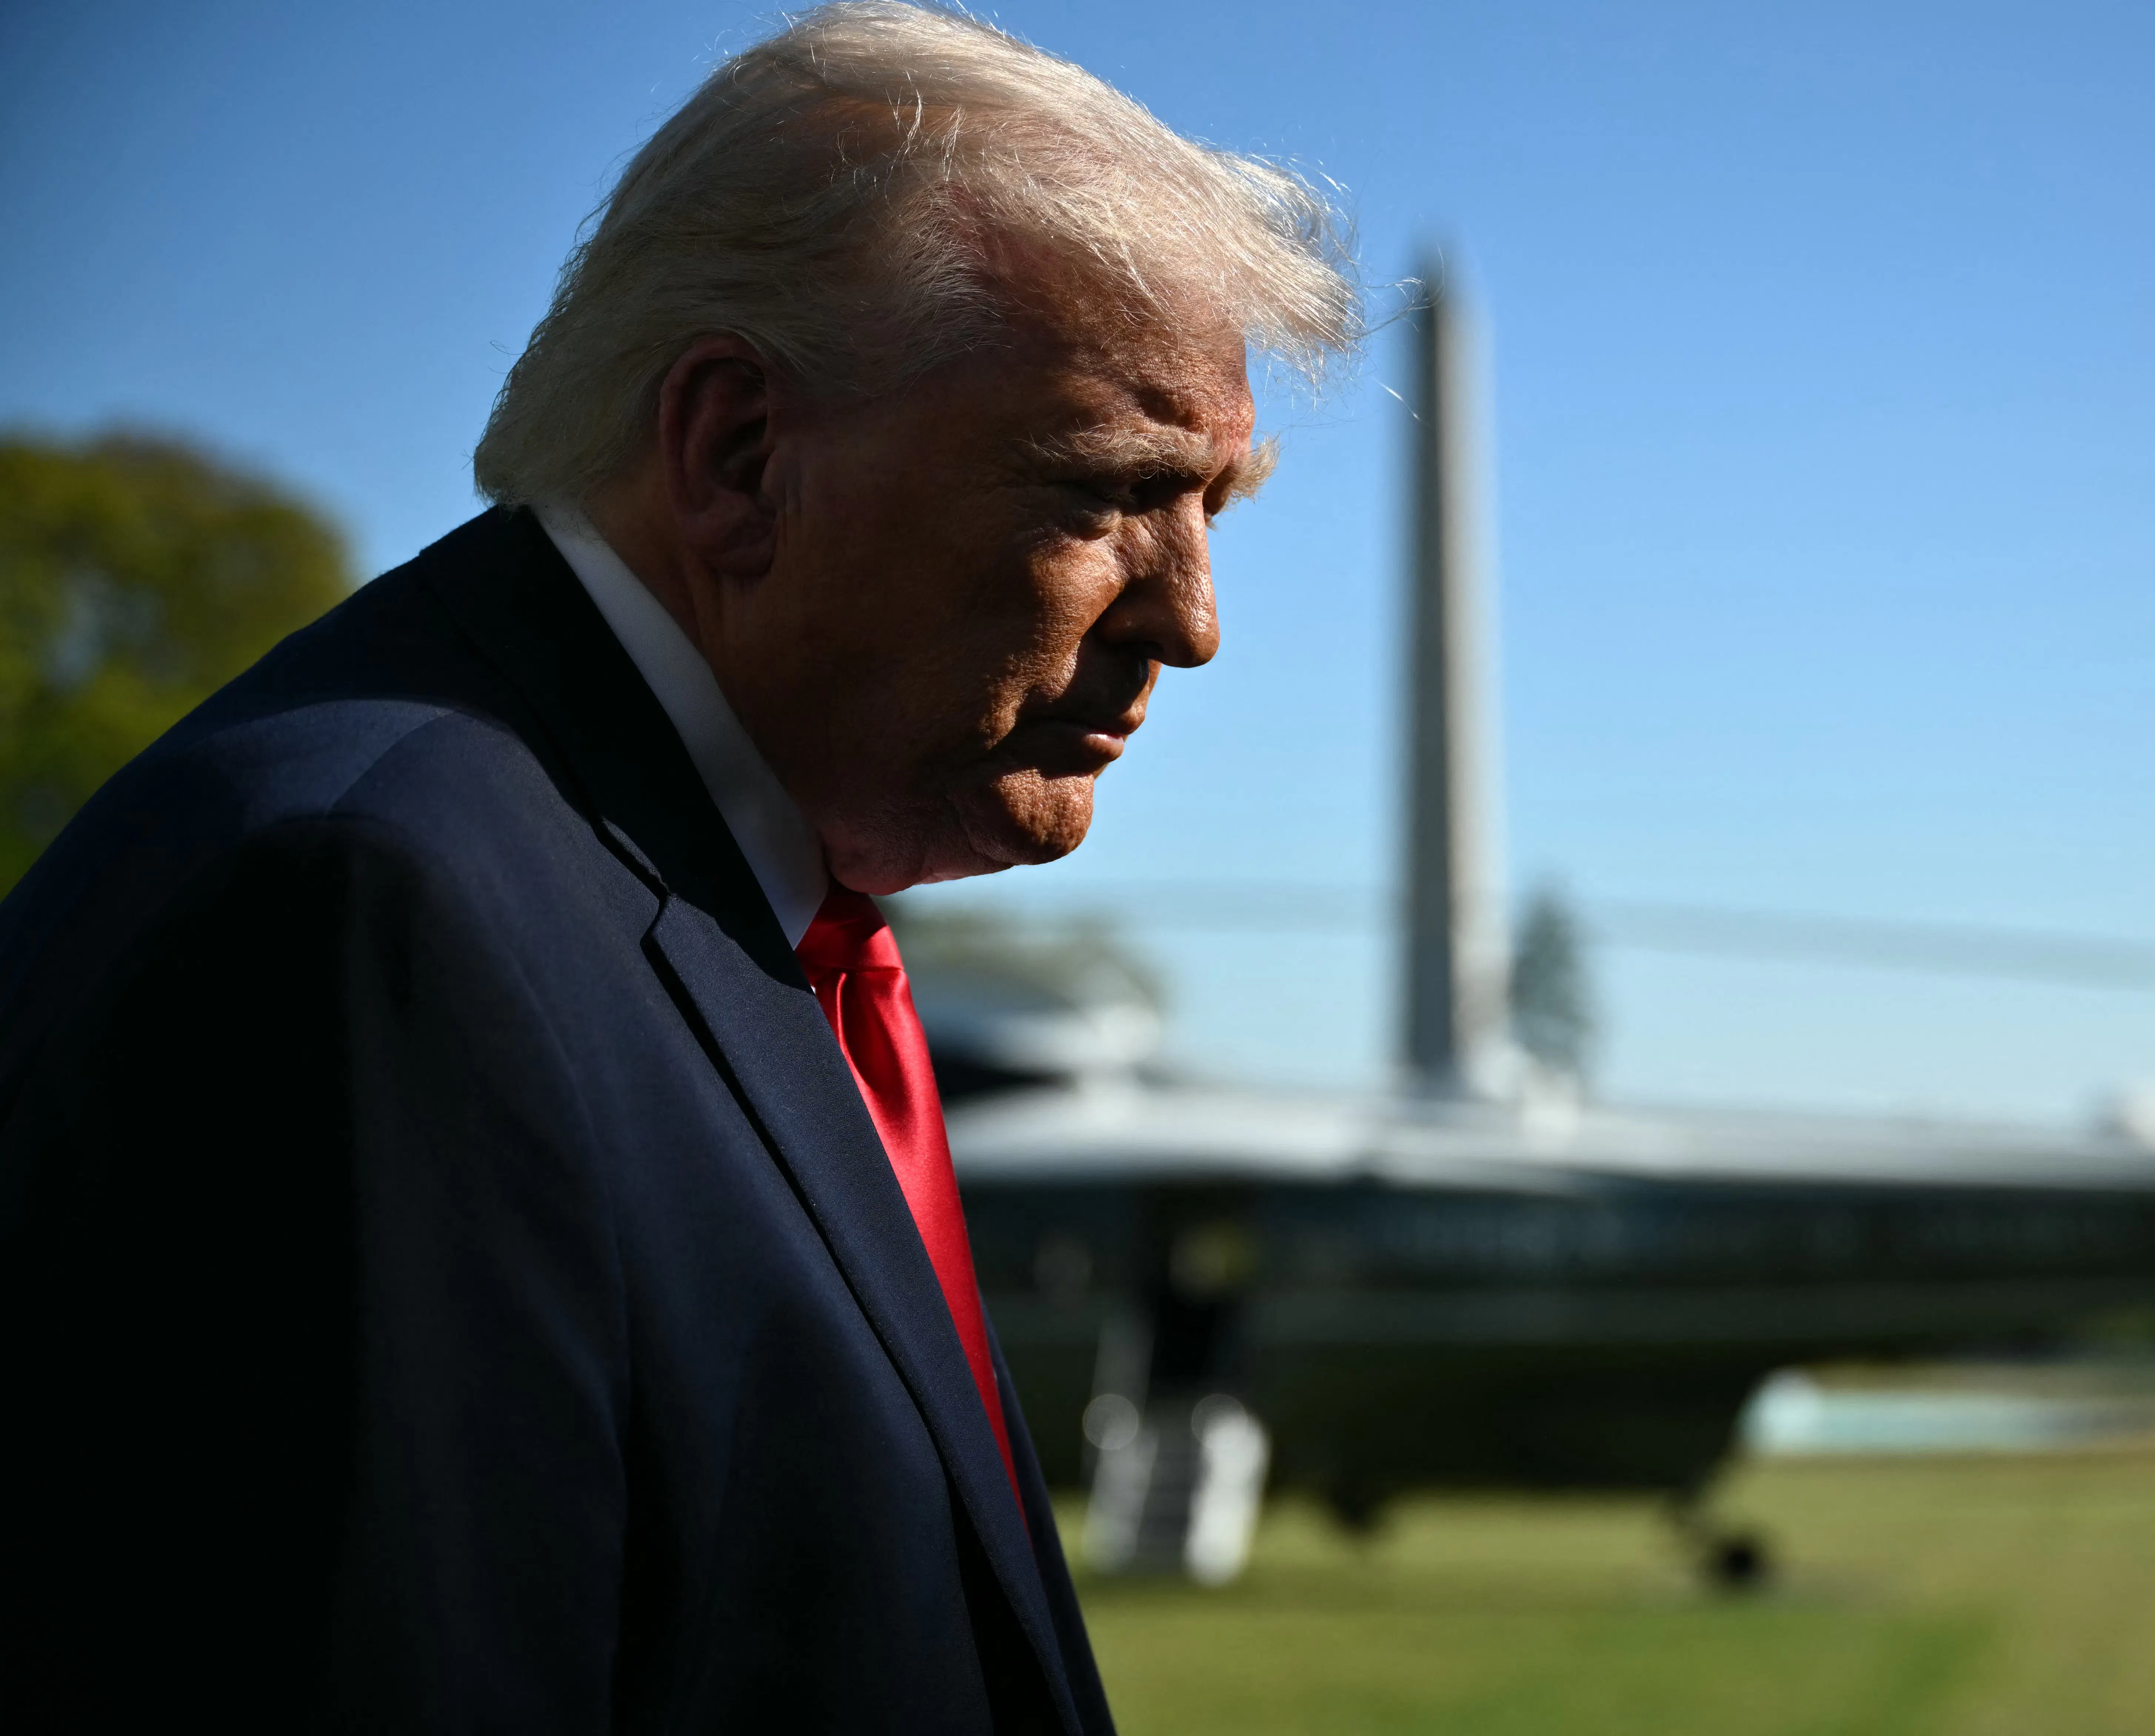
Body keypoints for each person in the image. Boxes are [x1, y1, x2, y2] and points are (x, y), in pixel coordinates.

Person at [0, 5, 1356, 1729]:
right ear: (733, 454)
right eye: (1103, 495)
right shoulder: (377, 918)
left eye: (1213, 508)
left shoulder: (692, 893)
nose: (1193, 620)